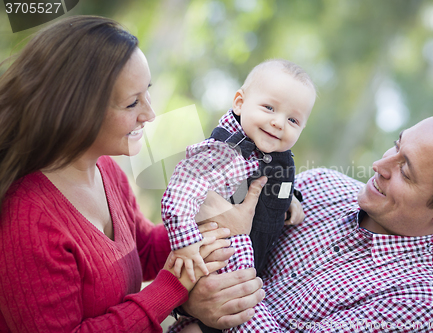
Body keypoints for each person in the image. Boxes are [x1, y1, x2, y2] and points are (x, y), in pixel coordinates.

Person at [0, 15, 265, 332]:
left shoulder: (105, 170)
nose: (150, 114)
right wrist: (171, 290)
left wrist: (212, 220)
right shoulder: (27, 221)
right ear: (75, 109)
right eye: (131, 103)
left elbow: (144, 250)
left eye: (147, 92)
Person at [170, 103, 433, 332]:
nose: (380, 166)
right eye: (396, 146)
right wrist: (189, 303)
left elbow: (228, 236)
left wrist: (234, 248)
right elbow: (193, 243)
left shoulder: (426, 301)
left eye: (406, 171)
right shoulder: (321, 185)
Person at [161, 59, 316, 284]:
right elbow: (179, 194)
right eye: (269, 108)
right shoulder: (223, 153)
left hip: (254, 266)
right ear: (240, 103)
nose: (279, 123)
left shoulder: (275, 157)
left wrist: (288, 199)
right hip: (213, 268)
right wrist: (185, 244)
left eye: (293, 120)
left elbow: (264, 181)